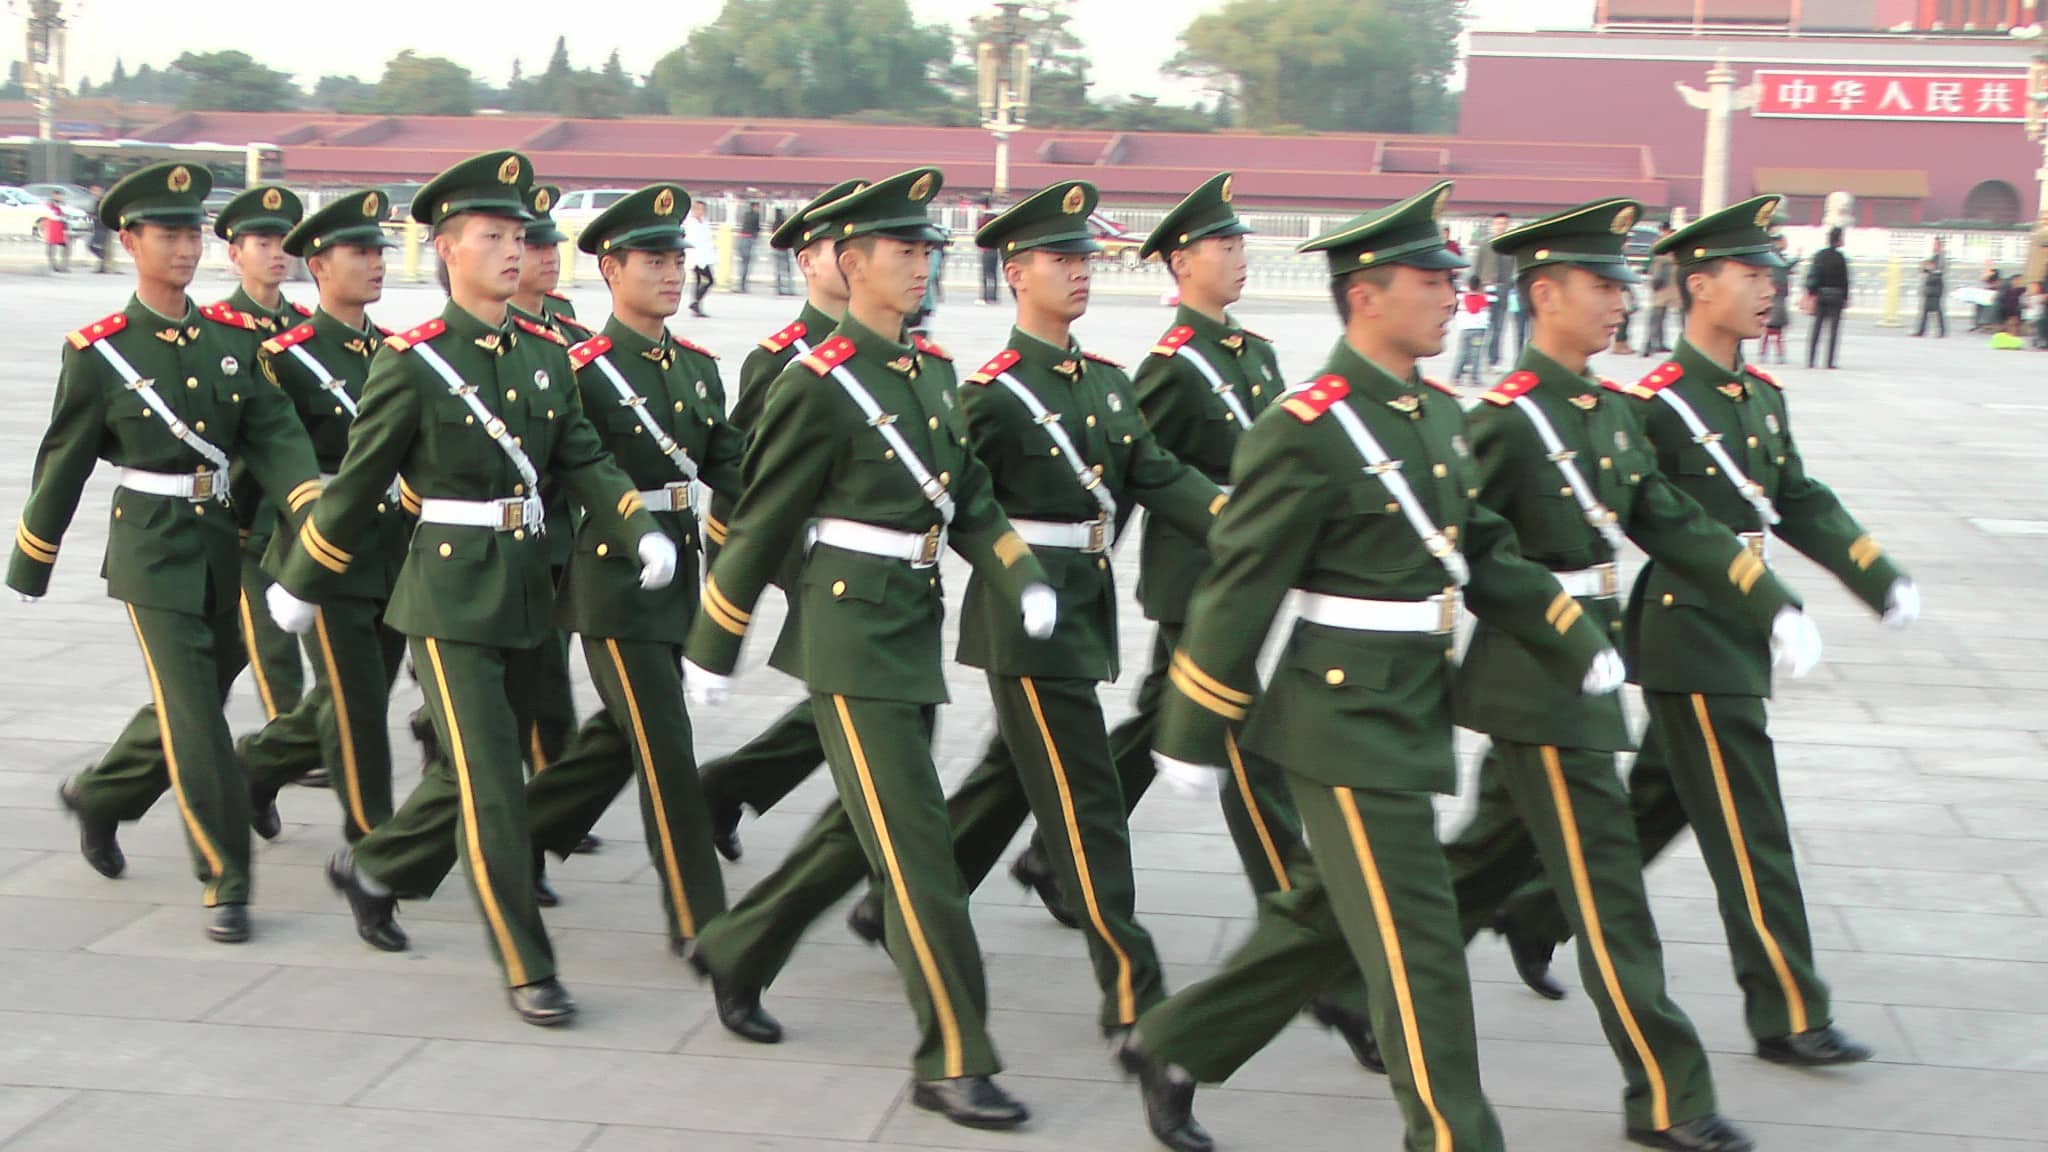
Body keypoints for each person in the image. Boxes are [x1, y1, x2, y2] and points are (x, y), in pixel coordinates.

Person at [1124, 180, 1624, 1152]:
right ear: (1365, 295)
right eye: (1432, 279)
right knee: (1418, 943)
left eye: (1450, 277)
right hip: (1337, 716)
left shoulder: (1430, 415)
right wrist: (1191, 733)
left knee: (1321, 912)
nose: (1452, 295)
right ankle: (1450, 1134)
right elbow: (1236, 585)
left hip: (1408, 704)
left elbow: (1479, 543)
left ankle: (1176, 1043)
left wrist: (1570, 633)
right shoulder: (1308, 428)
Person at [749, 179, 1234, 1069]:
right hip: (1016, 628)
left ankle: (757, 939)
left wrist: (1268, 531)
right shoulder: (990, 392)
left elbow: (1163, 479)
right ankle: (1133, 992)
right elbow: (926, 486)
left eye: (1087, 258)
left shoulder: (1106, 384)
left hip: (1075, 612)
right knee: (1086, 811)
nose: (1081, 272)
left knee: (990, 795)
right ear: (1016, 273)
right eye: (1062, 258)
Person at [1487, 194, 1918, 1071]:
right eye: (1752, 275)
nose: (1770, 290)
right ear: (1698, 286)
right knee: (1749, 823)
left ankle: (1534, 911)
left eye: (1772, 275)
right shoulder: (1656, 401)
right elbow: (1645, 512)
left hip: (1740, 616)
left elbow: (1796, 498)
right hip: (1691, 627)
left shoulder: (1755, 395)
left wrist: (1874, 573)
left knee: (1663, 798)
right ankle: (1789, 1010)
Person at [1443, 198, 1832, 1152]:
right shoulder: (1503, 416)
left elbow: (1673, 521)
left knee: (1482, 860)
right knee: (1610, 886)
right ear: (1546, 293)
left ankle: (1324, 976)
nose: (1625, 299)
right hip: (1537, 671)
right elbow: (1468, 548)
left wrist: (1770, 600)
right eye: (1605, 284)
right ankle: (1668, 1096)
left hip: (1593, 665)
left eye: (1626, 283)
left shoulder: (1610, 412)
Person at [681, 167, 1055, 1130]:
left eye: (929, 249)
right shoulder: (816, 383)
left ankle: (740, 945)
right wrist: (712, 643)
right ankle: (954, 1056)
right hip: (849, 636)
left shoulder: (927, 372)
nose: (924, 263)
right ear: (852, 263)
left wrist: (1019, 571)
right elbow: (761, 518)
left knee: (866, 829)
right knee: (919, 849)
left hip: (909, 625)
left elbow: (965, 494)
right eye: (905, 250)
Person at [269, 150, 678, 1025]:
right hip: (449, 598)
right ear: (448, 250)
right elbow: (354, 483)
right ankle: (528, 965)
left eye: (518, 235)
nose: (511, 248)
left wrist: (639, 528)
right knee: (493, 781)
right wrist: (303, 579)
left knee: (470, 766)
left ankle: (376, 866)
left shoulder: (541, 354)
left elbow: (584, 458)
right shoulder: (414, 361)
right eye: (490, 235)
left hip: (529, 586)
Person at [11, 162, 322, 944]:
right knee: (199, 720)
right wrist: (32, 558)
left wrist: (310, 507)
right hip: (151, 552)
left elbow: (274, 432)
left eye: (192, 233)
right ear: (130, 239)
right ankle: (225, 879)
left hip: (225, 544)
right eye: (168, 234)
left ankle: (102, 794)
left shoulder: (231, 341)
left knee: (190, 699)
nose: (185, 247)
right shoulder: (102, 351)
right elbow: (66, 454)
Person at [521, 182, 746, 955]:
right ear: (612, 269)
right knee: (666, 750)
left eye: (679, 257)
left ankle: (498, 841)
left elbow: (731, 467)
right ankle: (703, 923)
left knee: (618, 741)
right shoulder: (578, 367)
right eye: (654, 259)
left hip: (678, 577)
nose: (674, 272)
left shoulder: (696, 367)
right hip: (612, 579)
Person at [696, 178, 868, 862]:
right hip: (811, 558)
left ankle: (729, 783)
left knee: (870, 701)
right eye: (838, 250)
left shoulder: (888, 347)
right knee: (875, 701)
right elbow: (740, 474)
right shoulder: (783, 359)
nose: (854, 262)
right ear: (807, 263)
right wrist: (732, 580)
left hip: (871, 562)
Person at [237, 189, 410, 847]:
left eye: (377, 251)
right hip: (324, 549)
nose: (375, 263)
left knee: (348, 695)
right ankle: (375, 844)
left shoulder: (399, 351)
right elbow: (262, 464)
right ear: (318, 264)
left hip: (392, 547)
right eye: (358, 252)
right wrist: (261, 555)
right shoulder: (284, 357)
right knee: (357, 705)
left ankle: (252, 765)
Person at [212, 187, 315, 751]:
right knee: (267, 640)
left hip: (301, 510)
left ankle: (284, 747)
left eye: (282, 243)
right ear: (235, 253)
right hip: (246, 514)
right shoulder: (216, 329)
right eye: (262, 243)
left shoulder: (305, 327)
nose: (277, 254)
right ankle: (281, 749)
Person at [1472, 211, 1515, 364]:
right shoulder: (1485, 244)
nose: (1500, 227)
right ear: (1493, 225)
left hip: (1503, 291)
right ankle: (1474, 359)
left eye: (1504, 224)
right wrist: (1474, 289)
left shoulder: (1512, 245)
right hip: (1485, 290)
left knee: (1498, 328)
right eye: (1498, 223)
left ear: (1508, 225)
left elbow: (1515, 268)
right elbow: (1476, 267)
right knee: (1480, 327)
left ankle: (1493, 359)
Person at [1803, 225, 1849, 369]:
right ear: (1839, 239)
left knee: (1816, 328)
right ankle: (1829, 361)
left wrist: (1811, 292)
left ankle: (1811, 360)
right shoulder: (1840, 258)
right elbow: (1845, 280)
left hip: (1821, 294)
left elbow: (1813, 275)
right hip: (1836, 296)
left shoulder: (1820, 255)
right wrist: (1846, 297)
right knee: (1833, 331)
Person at [1451, 274, 1491, 386]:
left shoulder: (1462, 298)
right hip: (1478, 331)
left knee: (1462, 352)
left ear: (1468, 286)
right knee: (1476, 354)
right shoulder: (1484, 299)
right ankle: (1474, 378)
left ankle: (1456, 377)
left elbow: (1456, 312)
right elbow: (1486, 315)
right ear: (1479, 286)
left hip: (1464, 329)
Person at [1643, 223, 1677, 356]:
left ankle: (1654, 344)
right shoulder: (1661, 244)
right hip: (1663, 285)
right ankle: (1650, 344)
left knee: (1659, 317)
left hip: (1668, 285)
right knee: (1656, 317)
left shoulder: (1667, 244)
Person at [1760, 235, 1792, 364]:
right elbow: (1784, 268)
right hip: (1776, 295)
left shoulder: (1772, 254)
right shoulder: (1776, 255)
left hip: (1776, 294)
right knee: (1774, 325)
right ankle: (1776, 354)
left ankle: (1767, 353)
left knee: (1773, 326)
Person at [684, 202, 715, 316]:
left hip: (704, 256)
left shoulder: (704, 222)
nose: (699, 212)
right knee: (709, 280)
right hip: (695, 257)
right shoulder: (691, 224)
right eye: (697, 209)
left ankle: (696, 305)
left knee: (698, 281)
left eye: (702, 209)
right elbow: (693, 241)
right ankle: (695, 302)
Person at [1912, 239, 1946, 338]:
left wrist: (1929, 268)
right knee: (1927, 310)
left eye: (1935, 245)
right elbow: (1926, 268)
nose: (1933, 247)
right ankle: (1923, 331)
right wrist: (1926, 267)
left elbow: (1937, 270)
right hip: (1931, 287)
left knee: (1936, 310)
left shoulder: (1940, 258)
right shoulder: (1934, 257)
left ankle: (1940, 331)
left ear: (1940, 246)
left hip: (1935, 287)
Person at [736, 193, 762, 293]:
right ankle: (743, 285)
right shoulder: (756, 216)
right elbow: (757, 228)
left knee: (742, 264)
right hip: (749, 240)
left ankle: (740, 284)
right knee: (746, 264)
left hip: (741, 239)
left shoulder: (746, 215)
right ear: (754, 207)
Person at [770, 202, 795, 295]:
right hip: (784, 249)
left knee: (777, 270)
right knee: (788, 270)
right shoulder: (784, 222)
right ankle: (789, 288)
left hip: (775, 249)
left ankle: (778, 288)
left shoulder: (774, 223)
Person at [43, 190, 69, 272]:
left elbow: (66, 213)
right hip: (52, 227)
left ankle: (63, 266)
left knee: (65, 247)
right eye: (55, 195)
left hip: (61, 229)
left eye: (59, 195)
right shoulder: (49, 204)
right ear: (52, 195)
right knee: (51, 248)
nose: (57, 197)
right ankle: (53, 265)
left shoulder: (63, 204)